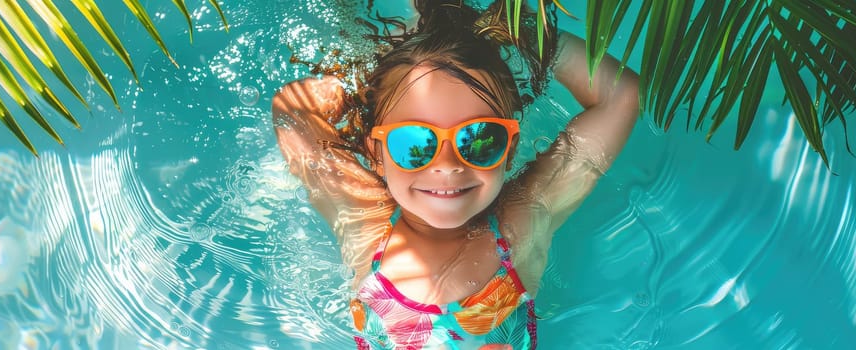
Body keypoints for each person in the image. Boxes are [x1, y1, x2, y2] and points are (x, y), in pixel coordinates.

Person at [271, 0, 638, 348]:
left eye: (479, 139)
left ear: (509, 151)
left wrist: (521, 35)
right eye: (415, 142)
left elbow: (622, 96)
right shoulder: (365, 220)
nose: (447, 164)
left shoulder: (521, 222)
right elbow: (293, 112)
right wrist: (356, 90)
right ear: (377, 154)